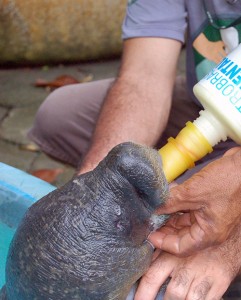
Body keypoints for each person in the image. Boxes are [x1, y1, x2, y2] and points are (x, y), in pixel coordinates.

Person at [28, 0, 241, 299]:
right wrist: (93, 189)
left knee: (202, 241)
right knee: (59, 115)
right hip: (212, 105)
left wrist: (234, 237)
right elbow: (144, 77)